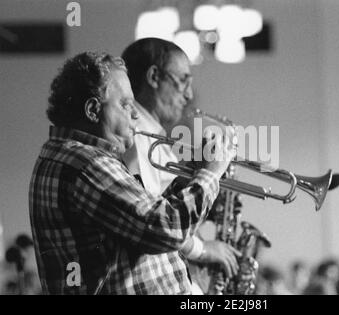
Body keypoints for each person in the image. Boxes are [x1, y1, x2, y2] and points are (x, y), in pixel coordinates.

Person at [29, 51, 235, 294]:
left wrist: (194, 177)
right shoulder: (86, 163)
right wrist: (211, 172)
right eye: (126, 105)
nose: (135, 114)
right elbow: (166, 229)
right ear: (93, 110)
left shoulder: (75, 156)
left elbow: (138, 225)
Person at [121, 38, 241, 293]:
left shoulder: (156, 140)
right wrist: (203, 249)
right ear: (154, 76)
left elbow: (168, 206)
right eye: (183, 80)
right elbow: (156, 222)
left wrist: (204, 188)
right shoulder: (137, 138)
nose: (188, 94)